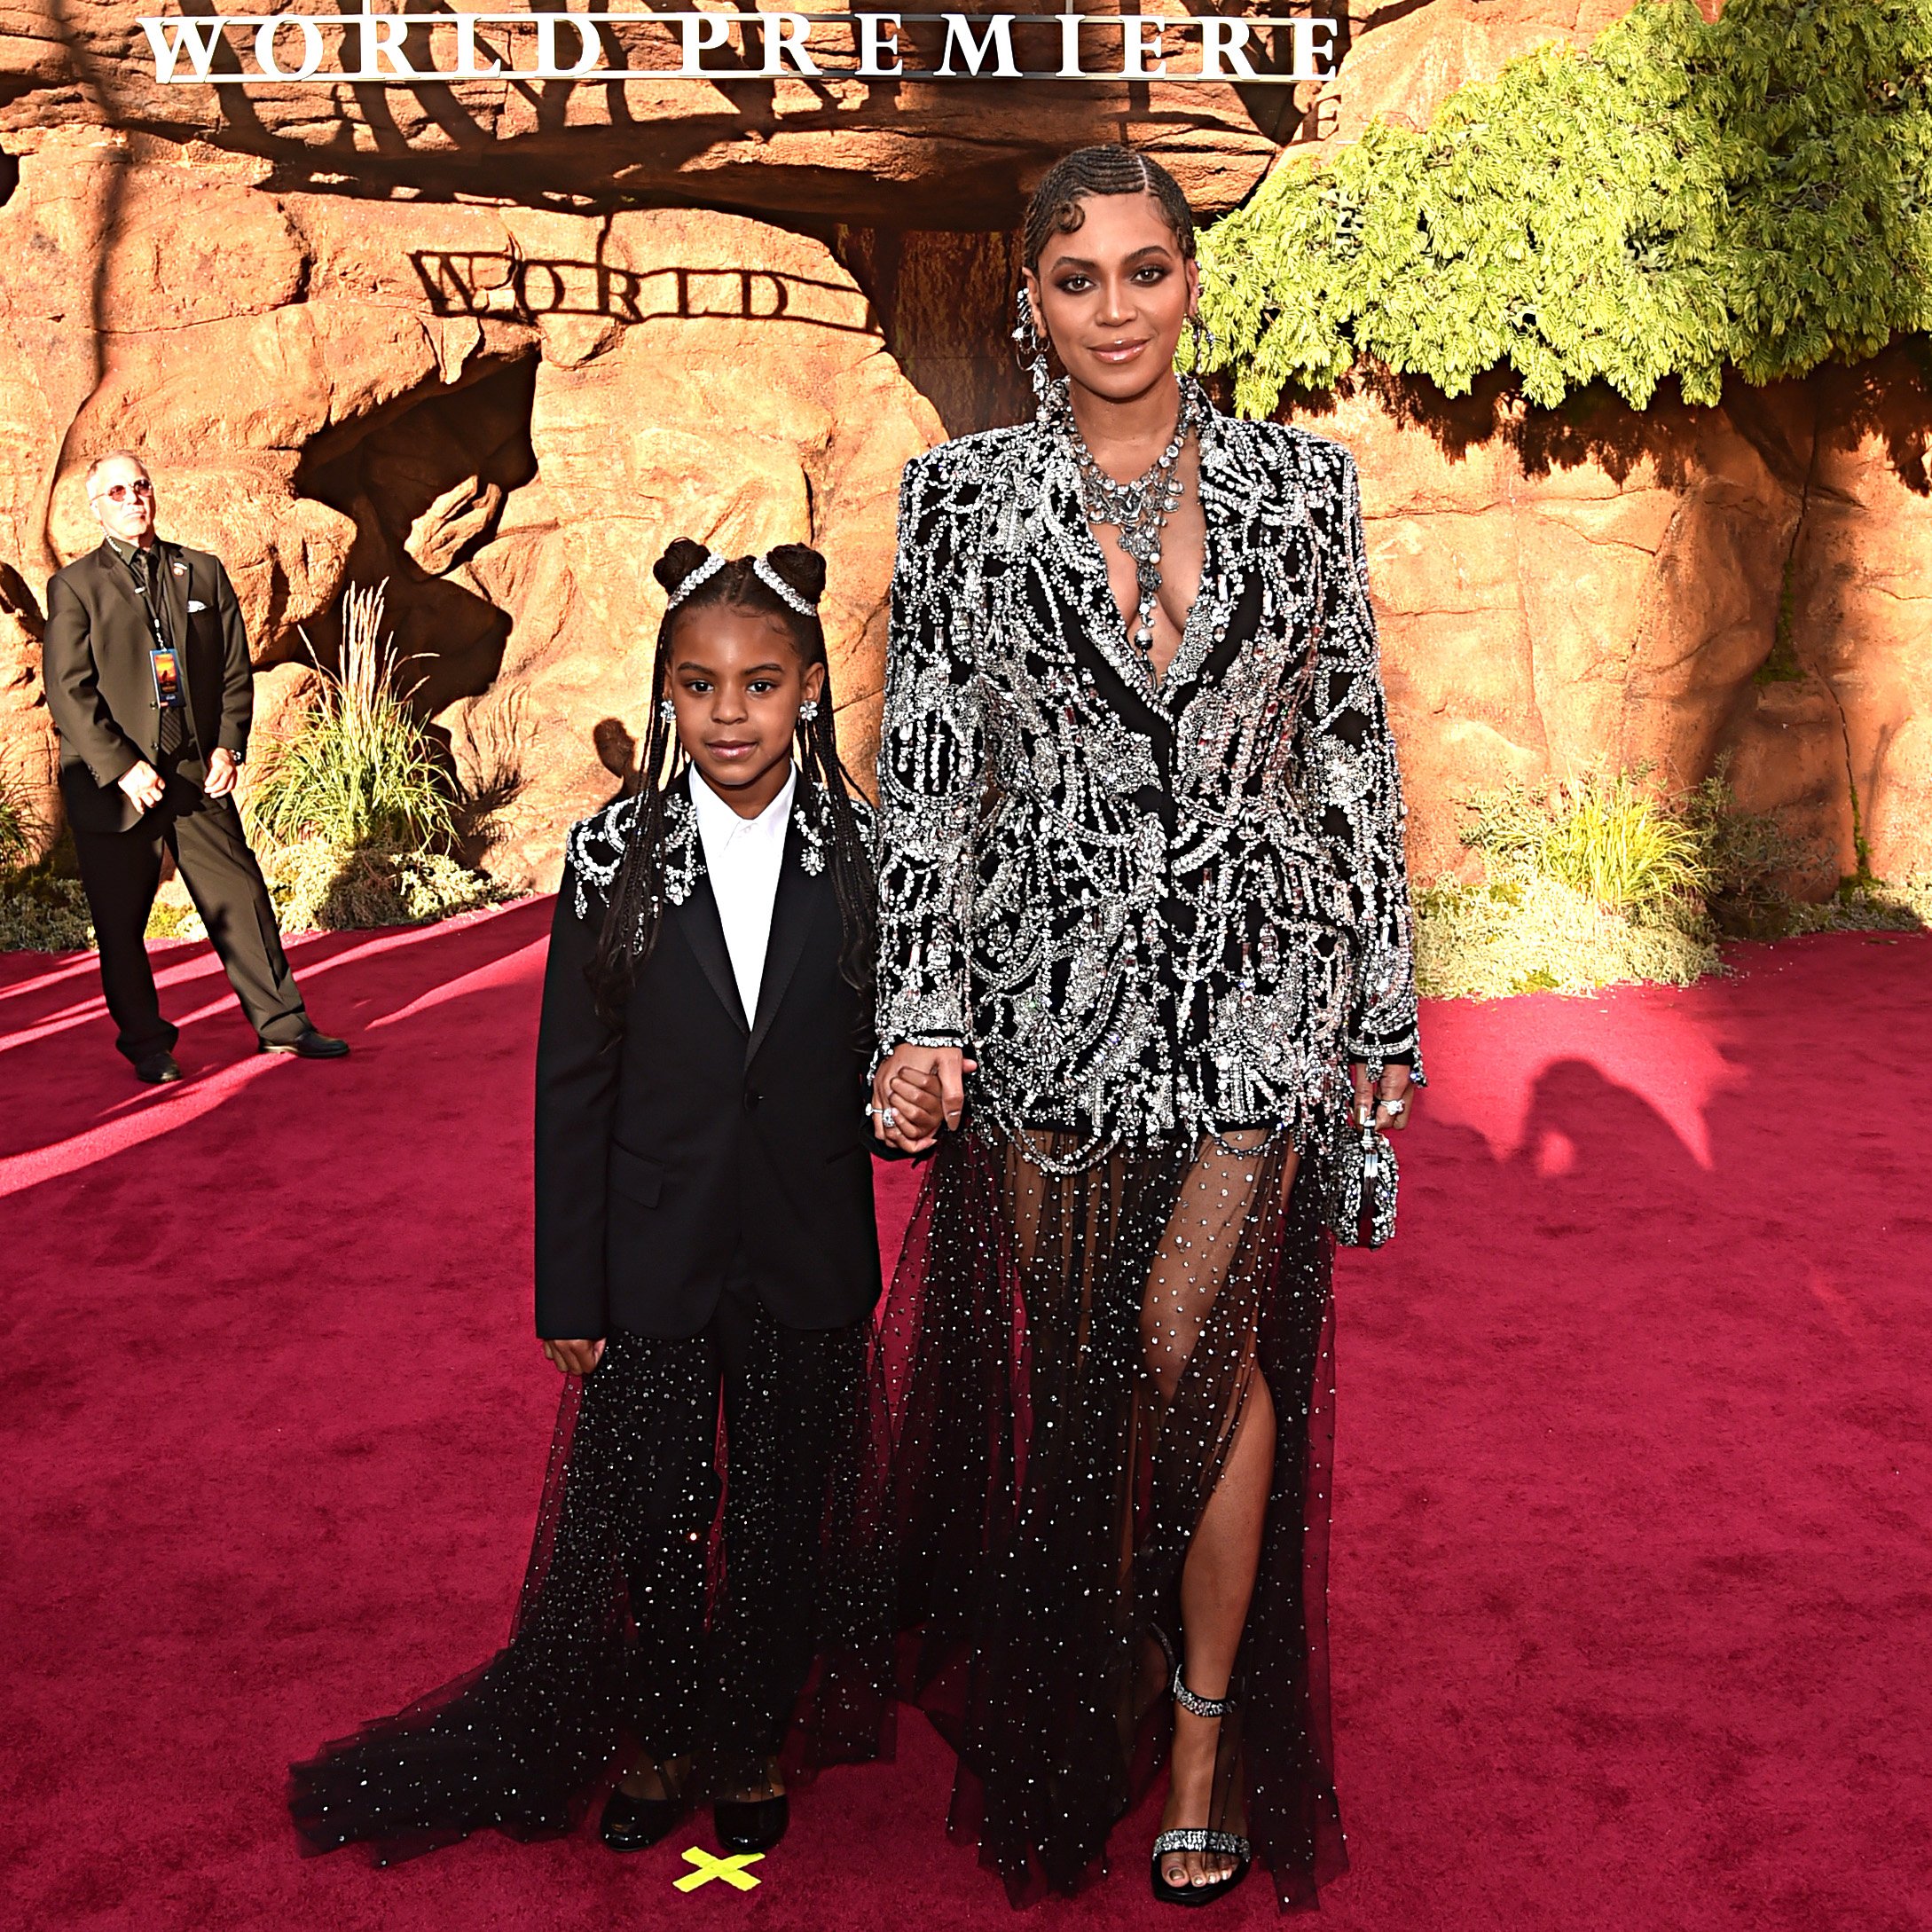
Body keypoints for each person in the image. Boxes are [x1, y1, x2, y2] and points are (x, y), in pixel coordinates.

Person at [866, 145, 1422, 1911]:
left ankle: (1199, 1728)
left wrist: (1384, 1004)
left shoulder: (1302, 489)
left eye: (1146, 269)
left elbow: (1352, 753)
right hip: (1051, 1000)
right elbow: (931, 773)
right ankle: (1120, 1659)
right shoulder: (961, 498)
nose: (1116, 308)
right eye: (1077, 277)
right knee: (1092, 1370)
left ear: (1193, 279)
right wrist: (923, 1009)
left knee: (1197, 1335)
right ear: (1030, 300)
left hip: (1264, 983)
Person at [290, 539, 941, 1864]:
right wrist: (567, 1287)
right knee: (654, 1507)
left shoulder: (871, 857)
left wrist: (903, 1111)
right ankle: (656, 1731)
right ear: (666, 697)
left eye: (761, 684)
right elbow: (569, 1087)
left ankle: (752, 1730)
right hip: (650, 1249)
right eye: (698, 687)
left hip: (807, 1244)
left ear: (811, 687)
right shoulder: (610, 856)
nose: (730, 715)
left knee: (778, 1510)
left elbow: (888, 1059)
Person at [40, 451, 346, 1081]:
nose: (133, 499)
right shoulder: (75, 587)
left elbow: (234, 670)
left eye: (141, 487)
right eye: (117, 492)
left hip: (192, 775)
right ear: (97, 508)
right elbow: (69, 691)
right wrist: (122, 767)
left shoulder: (200, 572)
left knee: (243, 898)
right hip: (117, 788)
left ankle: (284, 1027)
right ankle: (148, 1046)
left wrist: (228, 746)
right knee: (122, 926)